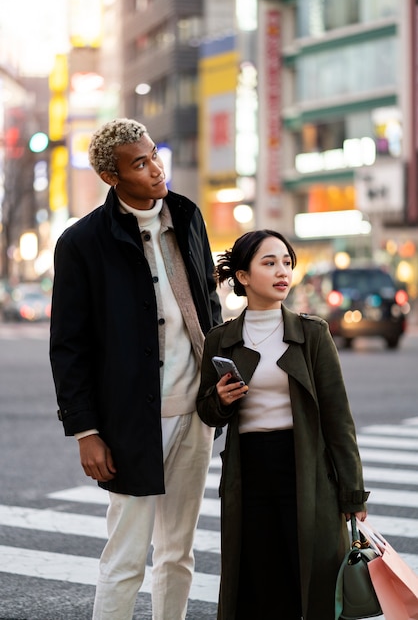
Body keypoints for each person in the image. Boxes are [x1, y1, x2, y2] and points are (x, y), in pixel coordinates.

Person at [49, 117, 222, 620]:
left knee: (178, 553)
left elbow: (206, 302)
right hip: (129, 423)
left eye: (153, 154)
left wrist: (220, 377)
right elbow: (69, 345)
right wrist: (85, 430)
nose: (155, 168)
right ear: (111, 177)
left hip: (194, 413)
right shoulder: (83, 242)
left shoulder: (187, 216)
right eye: (139, 163)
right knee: (125, 557)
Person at [196, 229, 369, 620]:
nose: (282, 272)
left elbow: (338, 418)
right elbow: (205, 410)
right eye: (269, 262)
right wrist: (220, 400)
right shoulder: (220, 340)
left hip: (306, 468)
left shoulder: (312, 334)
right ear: (243, 276)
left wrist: (352, 494)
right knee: (258, 581)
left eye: (287, 262)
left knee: (309, 580)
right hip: (249, 473)